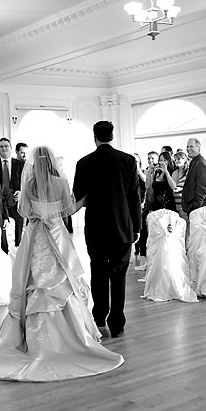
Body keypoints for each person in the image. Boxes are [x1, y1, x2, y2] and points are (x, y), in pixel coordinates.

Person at [0, 145, 124, 382]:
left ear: (34, 165)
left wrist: (37, 213)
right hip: (57, 234)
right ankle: (72, 334)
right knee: (62, 280)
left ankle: (30, 336)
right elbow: (68, 209)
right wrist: (84, 200)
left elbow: (23, 211)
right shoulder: (60, 183)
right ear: (53, 163)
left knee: (33, 280)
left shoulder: (29, 185)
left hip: (36, 235)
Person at [73, 121, 140, 338]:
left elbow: (78, 195)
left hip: (96, 228)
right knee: (119, 276)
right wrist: (136, 227)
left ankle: (99, 316)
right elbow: (134, 197)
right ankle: (117, 322)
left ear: (95, 136)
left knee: (98, 273)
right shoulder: (128, 161)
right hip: (123, 226)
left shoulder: (84, 163)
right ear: (112, 135)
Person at [0, 138, 25, 248]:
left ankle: (19, 247)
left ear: (11, 148)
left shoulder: (20, 164)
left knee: (19, 223)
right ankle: (4, 249)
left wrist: (21, 192)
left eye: (6, 146)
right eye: (1, 146)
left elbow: (25, 182)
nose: (4, 148)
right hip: (0, 202)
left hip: (16, 200)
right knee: (2, 226)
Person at [181, 138, 206, 217]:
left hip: (197, 209)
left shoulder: (201, 164)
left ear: (198, 148)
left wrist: (195, 208)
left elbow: (202, 190)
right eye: (187, 147)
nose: (188, 149)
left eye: (191, 146)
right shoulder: (194, 162)